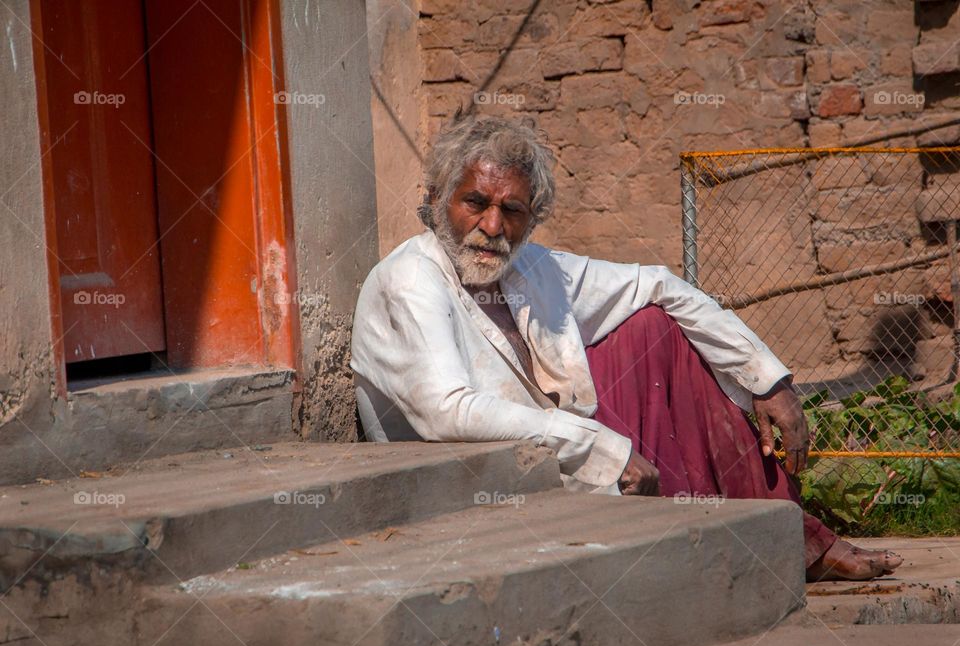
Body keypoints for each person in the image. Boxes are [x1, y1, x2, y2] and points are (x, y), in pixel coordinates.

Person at [350, 115, 903, 582]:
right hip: (476, 485)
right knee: (622, 374)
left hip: (556, 448)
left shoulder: (531, 269)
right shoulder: (412, 278)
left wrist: (767, 379)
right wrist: (604, 447)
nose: (492, 226)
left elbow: (658, 283)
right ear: (436, 200)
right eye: (475, 203)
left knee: (654, 328)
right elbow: (450, 411)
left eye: (512, 211)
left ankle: (786, 532)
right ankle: (727, 545)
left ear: (531, 218)